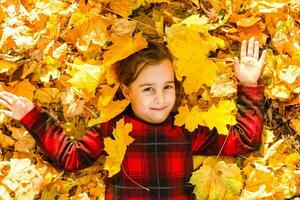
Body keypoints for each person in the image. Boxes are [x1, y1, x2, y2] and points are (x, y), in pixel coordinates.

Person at [0, 38, 266, 199]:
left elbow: (244, 140)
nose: (160, 98)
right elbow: (73, 157)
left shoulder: (185, 129)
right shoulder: (114, 128)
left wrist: (249, 83)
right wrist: (32, 117)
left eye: (167, 86)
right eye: (148, 89)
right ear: (127, 91)